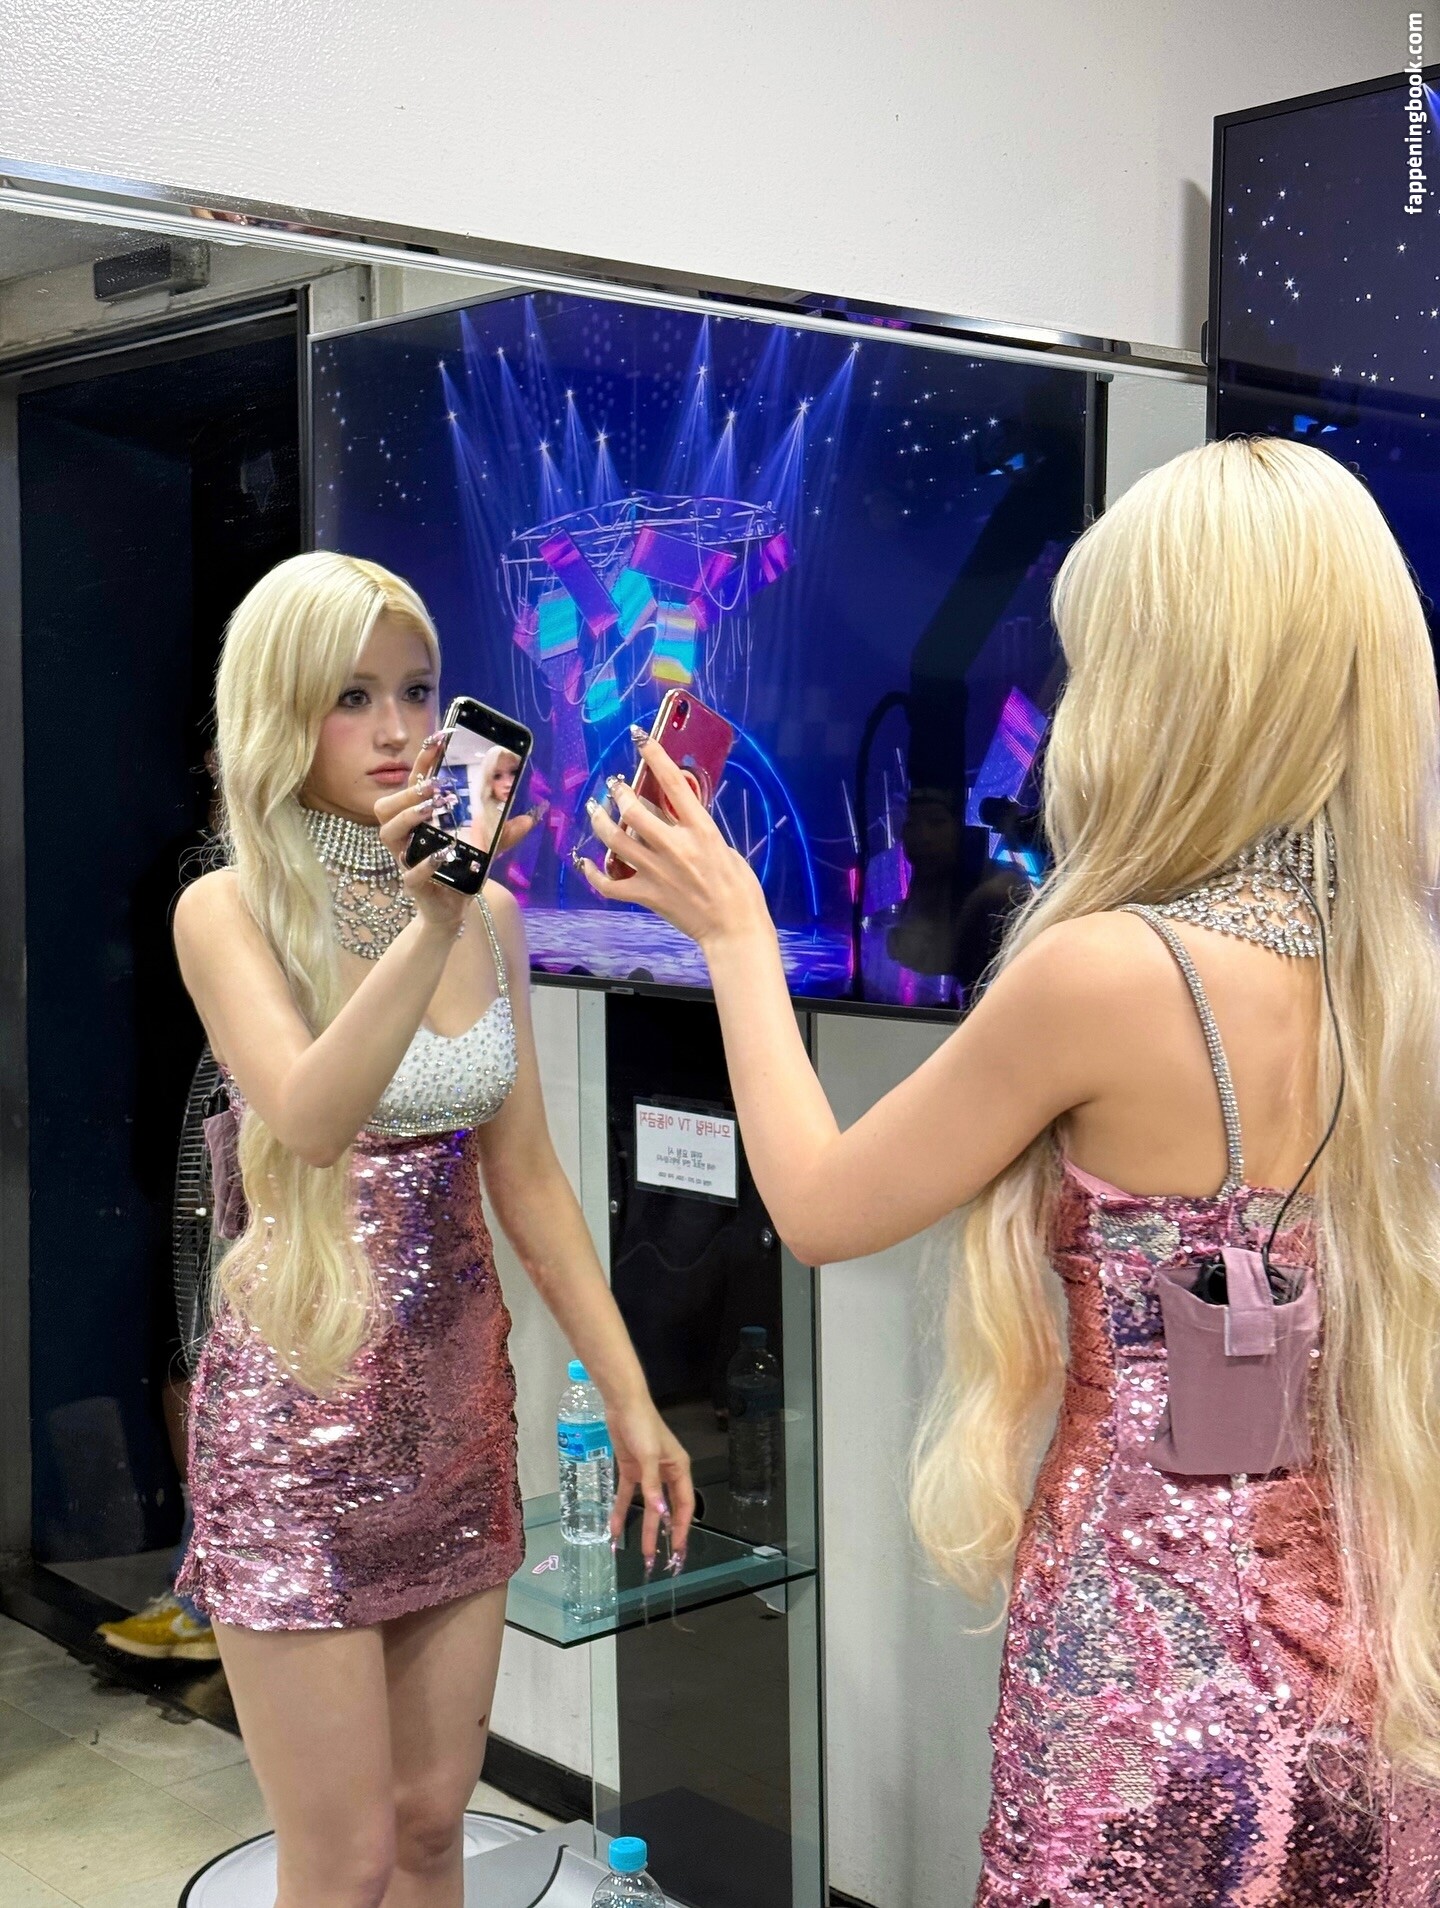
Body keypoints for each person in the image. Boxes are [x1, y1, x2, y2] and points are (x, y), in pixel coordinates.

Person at [577, 437, 1440, 1904]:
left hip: (1146, 1671)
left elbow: (821, 1205)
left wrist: (732, 934)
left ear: (1172, 687)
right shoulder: (1391, 983)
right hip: (1365, 1647)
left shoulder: (1109, 973)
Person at [172, 551, 692, 1908]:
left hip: (456, 1419)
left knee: (430, 1831)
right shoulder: (229, 909)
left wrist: (630, 1395)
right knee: (341, 1861)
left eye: (418, 690)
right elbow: (310, 1117)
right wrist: (426, 922)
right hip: (295, 1430)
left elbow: (530, 1183)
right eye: (353, 696)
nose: (401, 729)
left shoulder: (492, 918)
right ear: (281, 710)